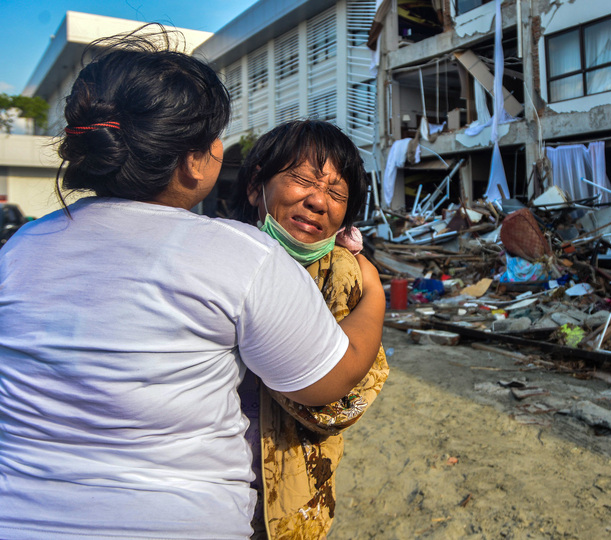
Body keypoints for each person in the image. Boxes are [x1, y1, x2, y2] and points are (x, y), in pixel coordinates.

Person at [0, 30, 384, 539]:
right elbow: (330, 382)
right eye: (214, 136)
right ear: (192, 160)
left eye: (335, 191)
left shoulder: (20, 248)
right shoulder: (239, 254)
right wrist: (376, 294)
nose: (318, 201)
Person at [231, 120, 389, 539]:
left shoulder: (341, 274)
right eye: (301, 180)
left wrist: (372, 290)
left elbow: (339, 403)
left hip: (286, 506)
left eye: (337, 193)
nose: (318, 201)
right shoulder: (218, 255)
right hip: (206, 494)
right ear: (255, 186)